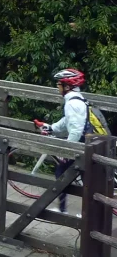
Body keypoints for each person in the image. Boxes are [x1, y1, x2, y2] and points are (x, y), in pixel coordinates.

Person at [36, 68, 108, 213]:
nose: (57, 87)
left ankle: (70, 211)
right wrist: (51, 127)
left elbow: (75, 130)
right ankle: (66, 210)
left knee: (65, 176)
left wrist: (67, 150)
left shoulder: (72, 103)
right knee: (73, 177)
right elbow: (67, 121)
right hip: (86, 143)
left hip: (81, 145)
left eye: (59, 84)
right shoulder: (75, 99)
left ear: (67, 86)